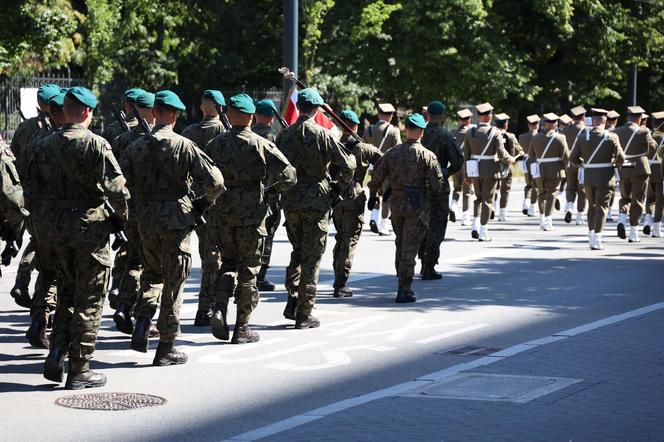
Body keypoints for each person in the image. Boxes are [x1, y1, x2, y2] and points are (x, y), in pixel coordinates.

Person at [29, 86, 129, 389]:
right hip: (90, 231)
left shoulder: (42, 145)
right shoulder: (97, 145)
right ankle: (80, 368)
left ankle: (56, 352)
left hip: (56, 231)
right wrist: (120, 220)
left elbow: (31, 192)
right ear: (86, 111)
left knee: (67, 295)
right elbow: (119, 191)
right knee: (90, 299)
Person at [122, 90, 225, 365]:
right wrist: (202, 204)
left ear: (154, 114)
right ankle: (166, 346)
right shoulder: (185, 146)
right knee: (174, 282)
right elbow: (216, 182)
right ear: (175, 115)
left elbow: (121, 186)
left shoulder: (135, 147)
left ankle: (143, 320)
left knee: (153, 274)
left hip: (146, 220)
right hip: (177, 221)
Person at [205, 94, 296, 343]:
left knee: (228, 264)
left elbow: (203, 176)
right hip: (252, 215)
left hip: (223, 212)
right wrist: (270, 192)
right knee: (248, 271)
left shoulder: (215, 144)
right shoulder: (260, 143)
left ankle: (219, 306)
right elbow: (289, 175)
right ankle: (242, 327)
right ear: (250, 116)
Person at [277, 88, 355, 328]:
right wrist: (336, 188)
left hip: (291, 199)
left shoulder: (284, 136)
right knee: (312, 257)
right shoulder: (323, 134)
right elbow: (349, 165)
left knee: (297, 252)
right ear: (317, 109)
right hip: (317, 199)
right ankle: (304, 312)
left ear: (299, 107)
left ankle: (292, 300)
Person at [368, 113, 443, 302]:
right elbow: (437, 185)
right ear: (422, 132)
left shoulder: (393, 153)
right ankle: (404, 289)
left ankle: (400, 276)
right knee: (410, 247)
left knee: (400, 242)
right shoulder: (428, 156)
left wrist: (373, 194)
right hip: (417, 207)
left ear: (406, 130)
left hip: (396, 204)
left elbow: (377, 174)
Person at [9, 83, 60, 309]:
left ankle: (22, 281)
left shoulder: (24, 128)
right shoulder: (56, 130)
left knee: (37, 240)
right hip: (50, 198)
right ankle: (47, 301)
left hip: (27, 194)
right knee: (47, 246)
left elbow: (14, 159)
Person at [22, 89, 67, 348]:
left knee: (46, 270)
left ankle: (39, 320)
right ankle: (60, 334)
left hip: (39, 213)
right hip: (67, 217)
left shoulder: (36, 138)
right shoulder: (73, 140)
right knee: (66, 276)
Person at [111, 91, 155, 335]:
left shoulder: (122, 140)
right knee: (152, 266)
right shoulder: (158, 140)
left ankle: (125, 303)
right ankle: (140, 313)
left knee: (132, 258)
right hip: (153, 211)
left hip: (130, 208)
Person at [181, 90, 226, 326]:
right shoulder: (223, 133)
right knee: (214, 256)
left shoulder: (188, 132)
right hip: (217, 200)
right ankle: (206, 307)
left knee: (203, 253)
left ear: (202, 107)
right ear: (220, 107)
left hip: (195, 200)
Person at [333, 110, 382, 297]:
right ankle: (341, 282)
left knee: (340, 237)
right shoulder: (363, 148)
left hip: (336, 195)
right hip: (354, 196)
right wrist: (375, 185)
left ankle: (338, 277)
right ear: (355, 126)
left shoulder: (333, 144)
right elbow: (384, 160)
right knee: (349, 240)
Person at [570, 108, 625, 250]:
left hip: (588, 176)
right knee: (602, 207)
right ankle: (598, 238)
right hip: (606, 177)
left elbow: (573, 159)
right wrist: (615, 163)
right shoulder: (612, 137)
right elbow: (621, 158)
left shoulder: (582, 137)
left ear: (592, 120)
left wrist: (584, 164)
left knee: (591, 206)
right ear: (605, 120)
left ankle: (591, 234)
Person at [419, 100, 462, 279]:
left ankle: (421, 261)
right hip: (438, 187)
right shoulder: (445, 135)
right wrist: (446, 172)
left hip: (419, 185)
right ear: (442, 116)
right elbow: (458, 161)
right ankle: (429, 266)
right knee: (437, 226)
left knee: (421, 224)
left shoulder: (419, 133)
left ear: (427, 115)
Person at [463, 103, 515, 241]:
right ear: (490, 116)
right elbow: (502, 153)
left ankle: (474, 225)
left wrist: (466, 174)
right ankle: (483, 231)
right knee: (487, 200)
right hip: (490, 170)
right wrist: (511, 160)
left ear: (478, 116)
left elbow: (466, 156)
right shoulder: (495, 132)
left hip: (474, 170)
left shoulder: (470, 132)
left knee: (478, 199)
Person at [614, 106, 657, 242]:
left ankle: (622, 218)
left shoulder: (617, 131)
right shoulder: (644, 131)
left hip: (623, 168)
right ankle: (633, 233)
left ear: (627, 117)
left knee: (625, 197)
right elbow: (654, 149)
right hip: (639, 168)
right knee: (637, 200)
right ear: (639, 118)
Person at [252, 99, 283, 292]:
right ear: (271, 118)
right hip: (268, 194)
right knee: (267, 235)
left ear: (255, 115)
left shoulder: (246, 134)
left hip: (244, 193)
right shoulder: (272, 138)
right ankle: (260, 275)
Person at [528, 113, 569, 231]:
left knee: (541, 194)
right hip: (555, 169)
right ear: (555, 123)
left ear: (544, 124)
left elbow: (531, 154)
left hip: (540, 168)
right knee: (552, 194)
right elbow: (566, 156)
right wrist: (567, 170)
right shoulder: (560, 137)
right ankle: (548, 221)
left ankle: (542, 219)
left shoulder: (536, 137)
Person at [364, 103, 401, 236]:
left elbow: (364, 149)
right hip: (388, 168)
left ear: (379, 114)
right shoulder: (393, 131)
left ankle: (373, 217)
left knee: (375, 192)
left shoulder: (368, 130)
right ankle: (383, 224)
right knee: (387, 195)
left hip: (373, 167)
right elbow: (398, 150)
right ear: (390, 117)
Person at [494, 113, 523, 222]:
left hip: (495, 164)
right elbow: (518, 149)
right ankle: (502, 213)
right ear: (506, 125)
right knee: (505, 190)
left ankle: (492, 208)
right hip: (508, 165)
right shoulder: (511, 136)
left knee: (494, 188)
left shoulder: (493, 134)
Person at [562, 106, 588, 225]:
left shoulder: (566, 130)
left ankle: (570, 207)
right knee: (581, 189)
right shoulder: (586, 130)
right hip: (581, 163)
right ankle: (579, 215)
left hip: (569, 163)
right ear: (583, 117)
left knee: (570, 187)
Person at [450, 109, 474, 225]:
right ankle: (465, 217)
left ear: (459, 120)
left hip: (455, 163)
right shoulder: (471, 132)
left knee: (456, 188)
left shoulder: (453, 132)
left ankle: (453, 206)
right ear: (469, 120)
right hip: (467, 163)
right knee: (467, 191)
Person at [643, 111, 664, 237]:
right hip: (660, 171)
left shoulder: (648, 135)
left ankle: (647, 219)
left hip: (647, 170)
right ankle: (656, 227)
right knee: (660, 200)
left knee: (649, 198)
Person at [519, 114, 541, 217]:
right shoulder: (539, 137)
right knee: (535, 185)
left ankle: (525, 203)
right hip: (535, 161)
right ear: (537, 125)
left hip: (525, 161)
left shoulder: (522, 137)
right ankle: (532, 207)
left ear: (528, 125)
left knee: (528, 184)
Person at [605, 110, 620, 221]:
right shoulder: (617, 133)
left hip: (599, 165)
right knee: (612, 189)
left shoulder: (601, 131)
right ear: (616, 121)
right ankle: (608, 212)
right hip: (613, 165)